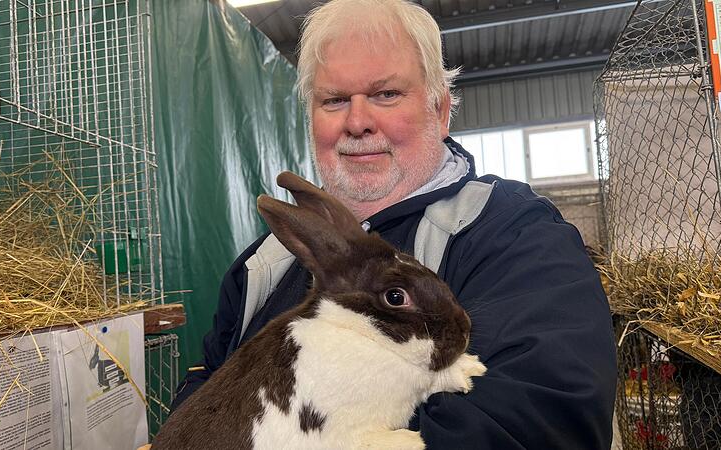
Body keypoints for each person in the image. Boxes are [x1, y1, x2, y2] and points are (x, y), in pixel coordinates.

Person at [170, 0, 617, 448]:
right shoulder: (266, 262)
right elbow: (212, 382)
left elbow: (539, 422)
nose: (358, 121)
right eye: (335, 100)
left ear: (440, 109)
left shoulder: (514, 235)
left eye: (386, 94)